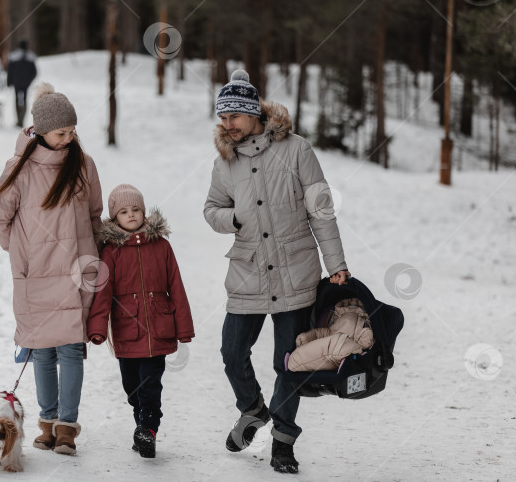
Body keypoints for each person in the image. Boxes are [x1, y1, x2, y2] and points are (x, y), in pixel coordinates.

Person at [203, 69, 351, 475]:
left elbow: (321, 209)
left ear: (253, 115)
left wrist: (335, 263)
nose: (227, 125)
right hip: (248, 271)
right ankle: (252, 410)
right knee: (232, 353)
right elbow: (211, 208)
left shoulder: (297, 150)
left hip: (295, 270)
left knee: (289, 363)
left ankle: (283, 441)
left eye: (233, 117)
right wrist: (231, 218)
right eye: (223, 118)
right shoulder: (224, 162)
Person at [0, 82, 103, 456]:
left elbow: (94, 215)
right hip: (35, 273)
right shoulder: (19, 169)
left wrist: (93, 254)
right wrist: (21, 252)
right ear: (39, 131)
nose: (69, 138)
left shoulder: (83, 164)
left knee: (71, 349)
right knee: (43, 351)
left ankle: (67, 426)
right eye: (61, 132)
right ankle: (47, 422)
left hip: (75, 270)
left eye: (72, 131)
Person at [86, 184, 195, 459]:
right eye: (124, 211)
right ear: (115, 218)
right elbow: (103, 293)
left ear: (144, 212)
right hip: (126, 331)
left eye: (136, 209)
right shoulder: (111, 252)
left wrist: (183, 328)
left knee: (151, 384)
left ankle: (149, 428)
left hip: (158, 329)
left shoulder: (161, 246)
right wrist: (98, 327)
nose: (131, 215)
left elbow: (177, 287)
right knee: (132, 387)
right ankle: (141, 427)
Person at [7, 40, 38, 127]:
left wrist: (9, 82)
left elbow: (10, 71)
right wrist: (29, 81)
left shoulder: (13, 56)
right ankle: (22, 120)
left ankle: (18, 120)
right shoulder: (30, 57)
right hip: (26, 83)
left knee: (17, 99)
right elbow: (34, 72)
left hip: (16, 82)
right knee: (24, 100)